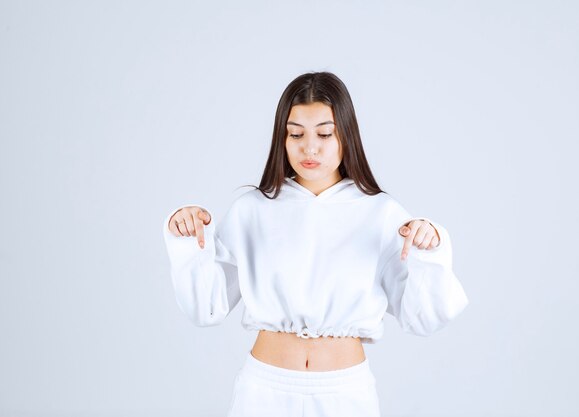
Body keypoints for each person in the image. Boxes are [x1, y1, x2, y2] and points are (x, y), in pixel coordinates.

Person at [162, 71, 469, 417]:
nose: (310, 148)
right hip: (265, 391)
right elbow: (207, 307)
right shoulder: (253, 210)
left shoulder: (382, 214)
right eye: (296, 134)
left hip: (345, 394)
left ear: (346, 136)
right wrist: (188, 237)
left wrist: (430, 251)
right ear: (282, 138)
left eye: (325, 133)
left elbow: (424, 318)